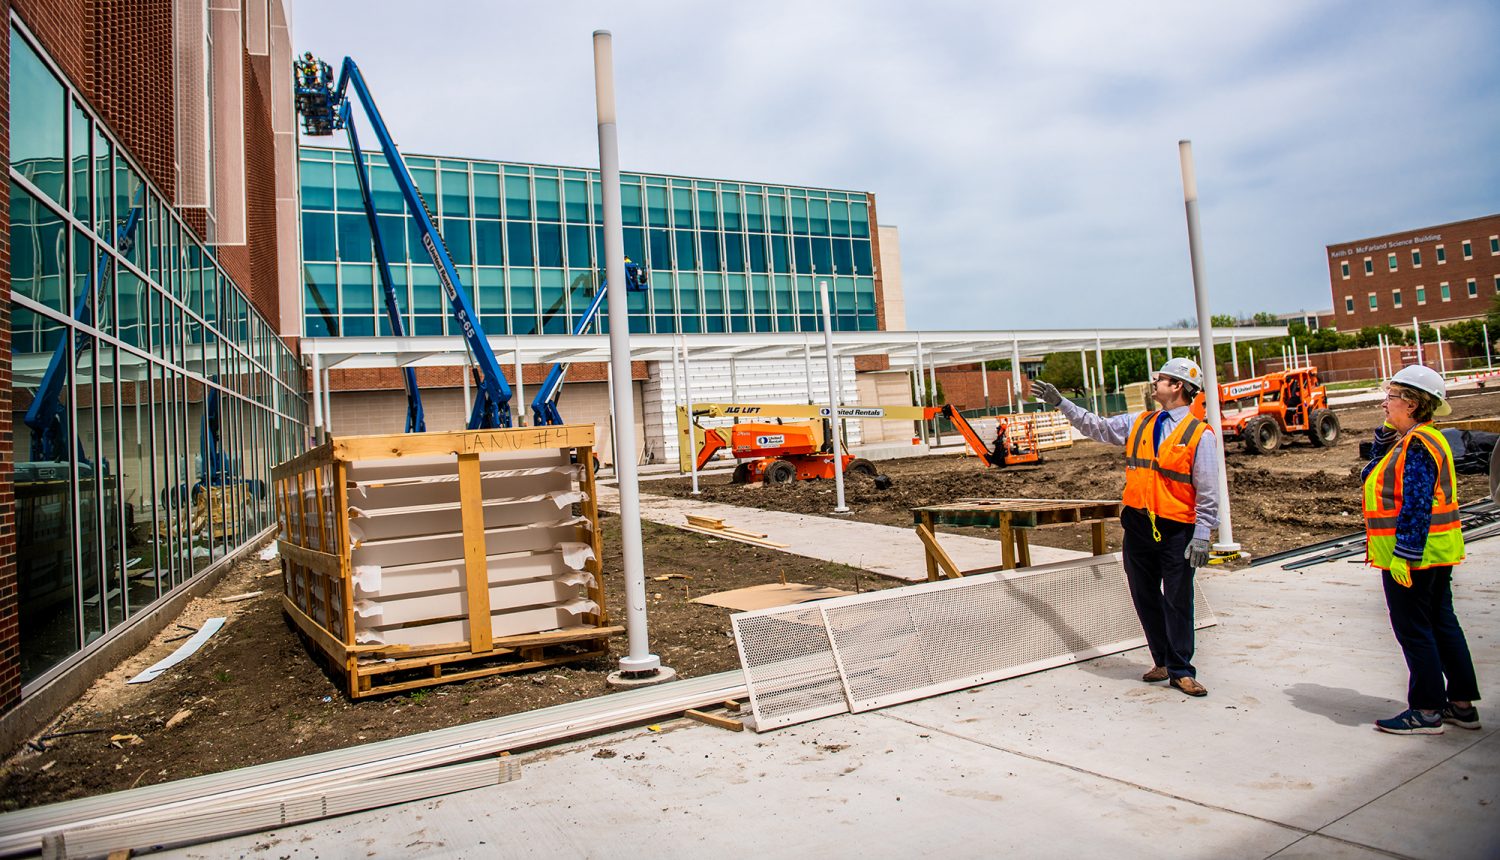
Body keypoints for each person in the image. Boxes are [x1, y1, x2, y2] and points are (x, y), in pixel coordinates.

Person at [1032, 357, 1218, 697]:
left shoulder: (1199, 435)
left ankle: (1181, 669)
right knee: (1144, 595)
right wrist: (1062, 404)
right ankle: (1162, 659)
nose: (1155, 384)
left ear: (1177, 386)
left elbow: (1207, 490)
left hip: (1177, 530)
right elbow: (1097, 427)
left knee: (1178, 600)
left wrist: (1204, 535)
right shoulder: (1142, 421)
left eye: (1161, 379)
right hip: (1138, 525)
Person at [1363, 365, 1481, 735]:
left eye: (1392, 396)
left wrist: (1406, 553)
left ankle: (1427, 709)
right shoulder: (1421, 438)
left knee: (1414, 629)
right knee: (1442, 623)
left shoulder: (1417, 446)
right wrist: (1385, 435)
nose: (1385, 402)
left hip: (1415, 556)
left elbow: (1416, 502)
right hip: (1437, 550)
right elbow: (1373, 469)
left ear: (1411, 404)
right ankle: (1461, 704)